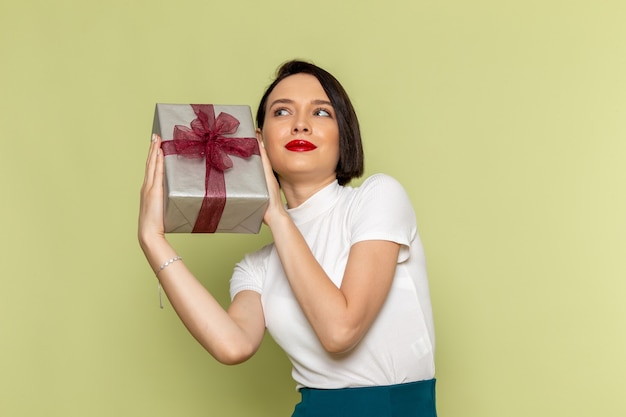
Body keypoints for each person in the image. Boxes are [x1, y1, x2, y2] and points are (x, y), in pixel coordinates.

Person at [139, 60, 437, 417]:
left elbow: (341, 331)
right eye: (282, 111)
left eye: (321, 112)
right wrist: (152, 238)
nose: (300, 124)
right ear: (257, 141)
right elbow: (232, 345)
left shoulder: (378, 198)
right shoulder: (257, 267)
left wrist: (276, 215)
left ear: (344, 134)